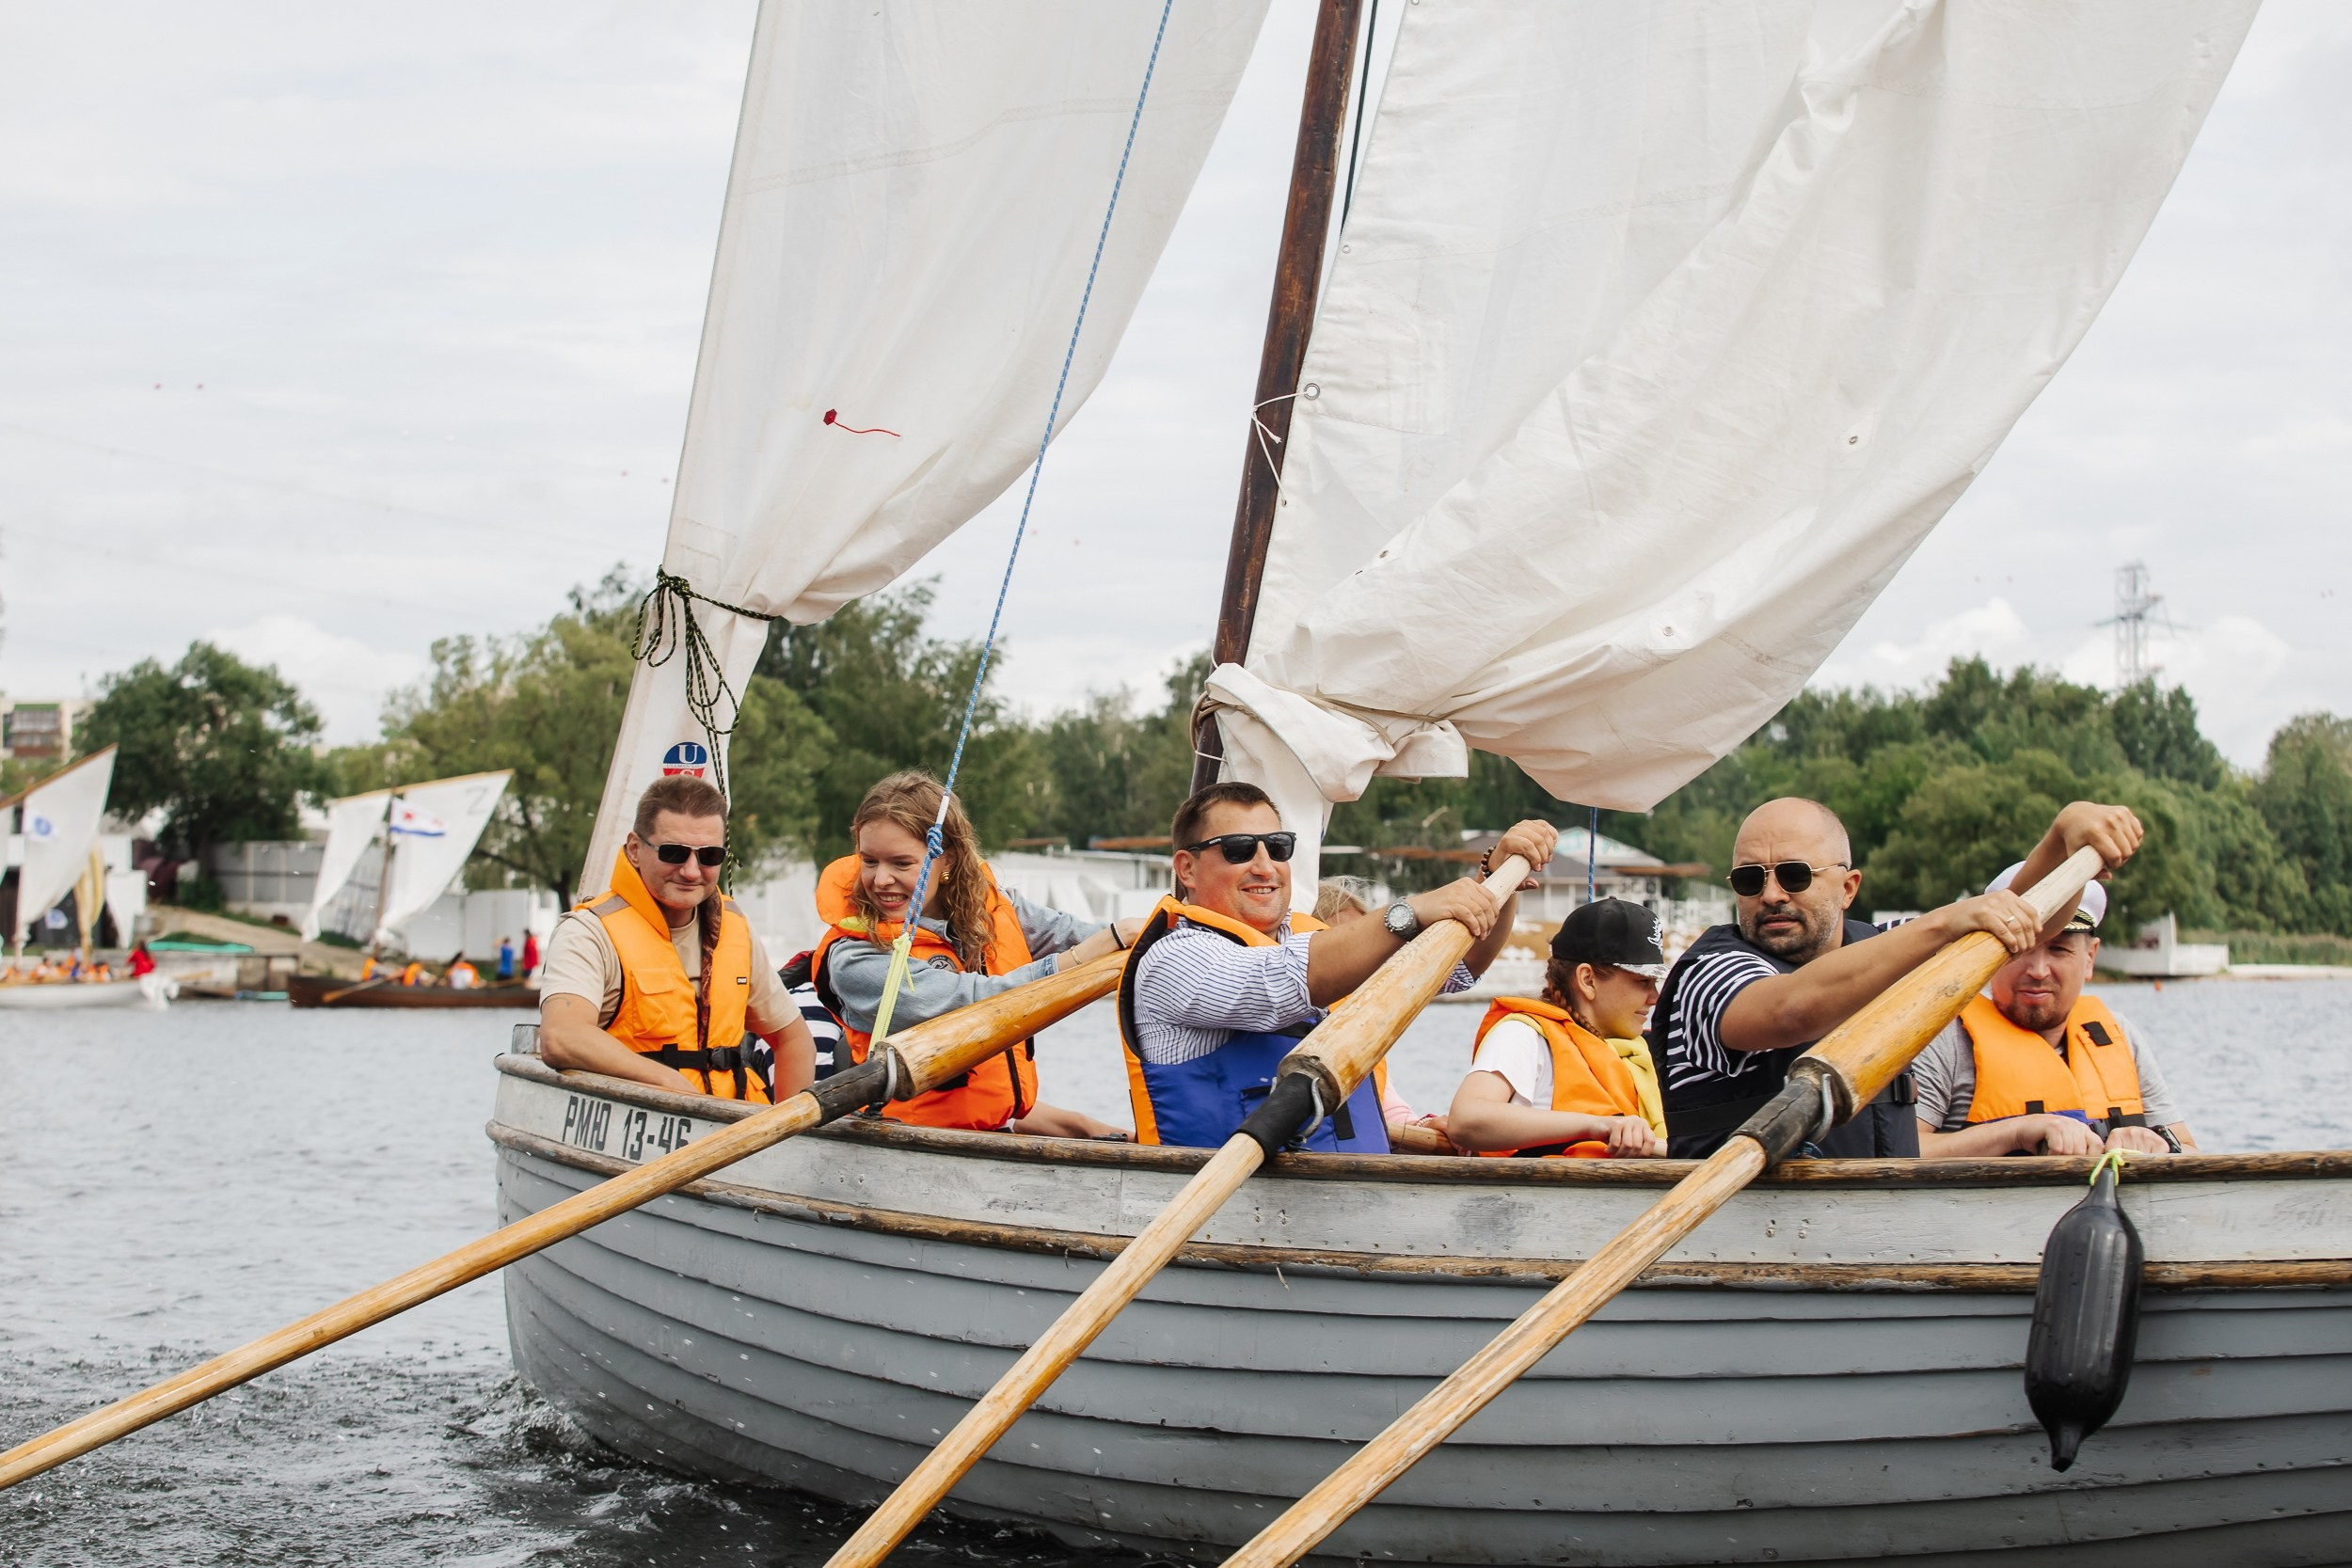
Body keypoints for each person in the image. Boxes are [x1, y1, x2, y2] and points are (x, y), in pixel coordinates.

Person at [1653, 797, 2143, 1160]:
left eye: (1795, 876)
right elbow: (1792, 1009)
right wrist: (1946, 920)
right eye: (1750, 879)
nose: (1772, 894)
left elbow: (2023, 921)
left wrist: (2063, 835)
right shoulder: (1710, 974)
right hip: (1753, 1241)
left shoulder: (1884, 949)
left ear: (1848, 888)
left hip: (1881, 1224)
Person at [1121, 781, 1558, 1151]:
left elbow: (1459, 966)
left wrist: (1499, 881)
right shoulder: (1173, 959)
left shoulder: (1317, 942)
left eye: (1277, 847)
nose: (1264, 865)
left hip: (1351, 1208)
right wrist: (1409, 912)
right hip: (1233, 1227)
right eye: (1238, 850)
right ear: (1187, 869)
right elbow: (1282, 980)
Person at [812, 771, 1131, 1137]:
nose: (881, 880)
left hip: (990, 1129)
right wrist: (1085, 955)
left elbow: (1069, 934)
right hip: (909, 1141)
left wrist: (1150, 934)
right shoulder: (853, 959)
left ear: (946, 860)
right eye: (870, 861)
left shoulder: (992, 909)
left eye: (901, 864)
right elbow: (978, 1004)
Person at [538, 775, 815, 1103]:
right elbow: (561, 1036)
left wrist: (787, 1134)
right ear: (635, 850)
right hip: (636, 1127)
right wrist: (670, 1083)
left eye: (709, 856)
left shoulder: (735, 927)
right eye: (674, 853)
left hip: (734, 1129)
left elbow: (794, 1039)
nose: (691, 871)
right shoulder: (589, 932)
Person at [1914, 866, 2198, 1157]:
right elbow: (1898, 1153)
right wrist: (2016, 1132)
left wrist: (2160, 1145)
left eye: (2059, 950)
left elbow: (2191, 1151)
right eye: (2021, 949)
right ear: (1990, 956)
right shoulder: (1942, 1038)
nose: (2038, 971)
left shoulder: (2120, 1034)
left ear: (2090, 958)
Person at [1450, 897, 1668, 1158]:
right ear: (1587, 980)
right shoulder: (1525, 1035)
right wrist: (1596, 1124)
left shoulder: (1644, 1052)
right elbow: (1467, 1119)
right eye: (1642, 982)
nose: (1654, 997)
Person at [1313, 876, 1454, 1149]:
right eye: (1341, 948)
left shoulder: (1360, 1036)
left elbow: (1386, 1107)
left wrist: (1423, 1126)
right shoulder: (1281, 1021)